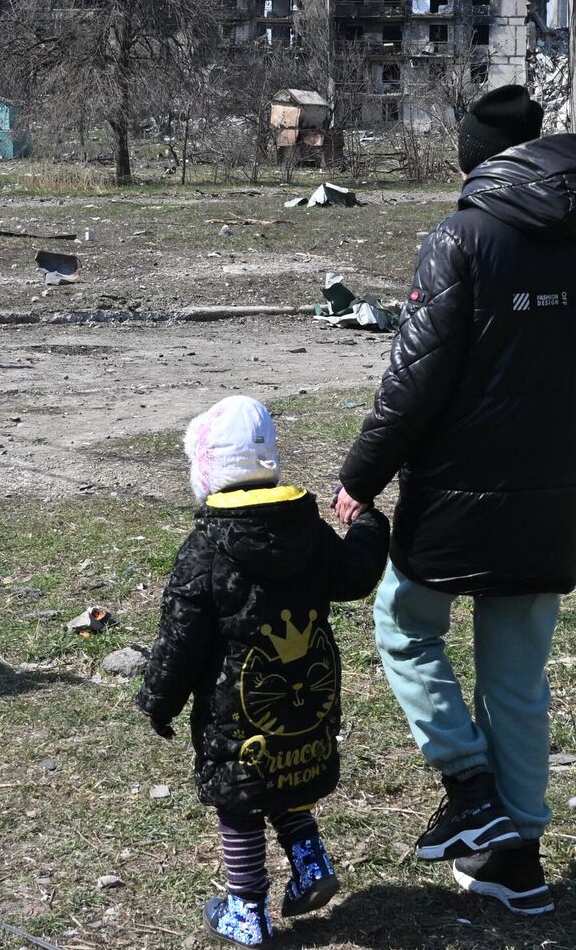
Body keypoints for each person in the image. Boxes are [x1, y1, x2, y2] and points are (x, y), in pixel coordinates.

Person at [331, 85, 576, 916]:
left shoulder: (459, 238)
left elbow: (411, 387)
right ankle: (517, 858)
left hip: (457, 496)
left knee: (404, 622)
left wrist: (358, 477)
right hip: (554, 491)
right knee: (518, 679)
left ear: (473, 155)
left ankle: (469, 790)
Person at [137, 396, 390, 946]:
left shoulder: (205, 547)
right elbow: (354, 575)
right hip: (306, 702)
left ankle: (245, 909)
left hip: (238, 714)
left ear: (204, 473)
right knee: (288, 781)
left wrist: (159, 700)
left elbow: (180, 638)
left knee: (241, 802)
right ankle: (312, 865)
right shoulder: (307, 529)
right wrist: (369, 524)